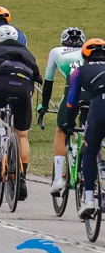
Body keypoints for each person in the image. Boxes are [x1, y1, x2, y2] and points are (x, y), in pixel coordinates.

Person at [0, 24, 41, 200]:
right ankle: (22, 178)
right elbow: (38, 78)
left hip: (2, 86)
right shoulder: (27, 53)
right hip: (24, 90)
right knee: (22, 135)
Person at [59, 39, 105, 219]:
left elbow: (71, 102)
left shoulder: (79, 71)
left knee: (90, 149)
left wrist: (69, 124)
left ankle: (89, 201)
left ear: (85, 56)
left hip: (99, 106)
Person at [43, 27, 87, 195]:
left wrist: (44, 105)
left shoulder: (56, 52)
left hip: (72, 91)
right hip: (94, 93)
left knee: (61, 130)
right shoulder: (87, 53)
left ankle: (58, 179)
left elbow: (49, 80)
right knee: (89, 130)